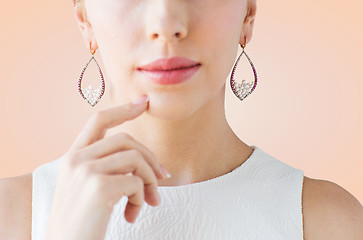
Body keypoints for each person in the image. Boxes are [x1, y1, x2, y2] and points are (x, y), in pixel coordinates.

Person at [1, 0, 362, 239]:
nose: (167, 24)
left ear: (247, 15)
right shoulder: (12, 215)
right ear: (86, 22)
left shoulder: (328, 222)